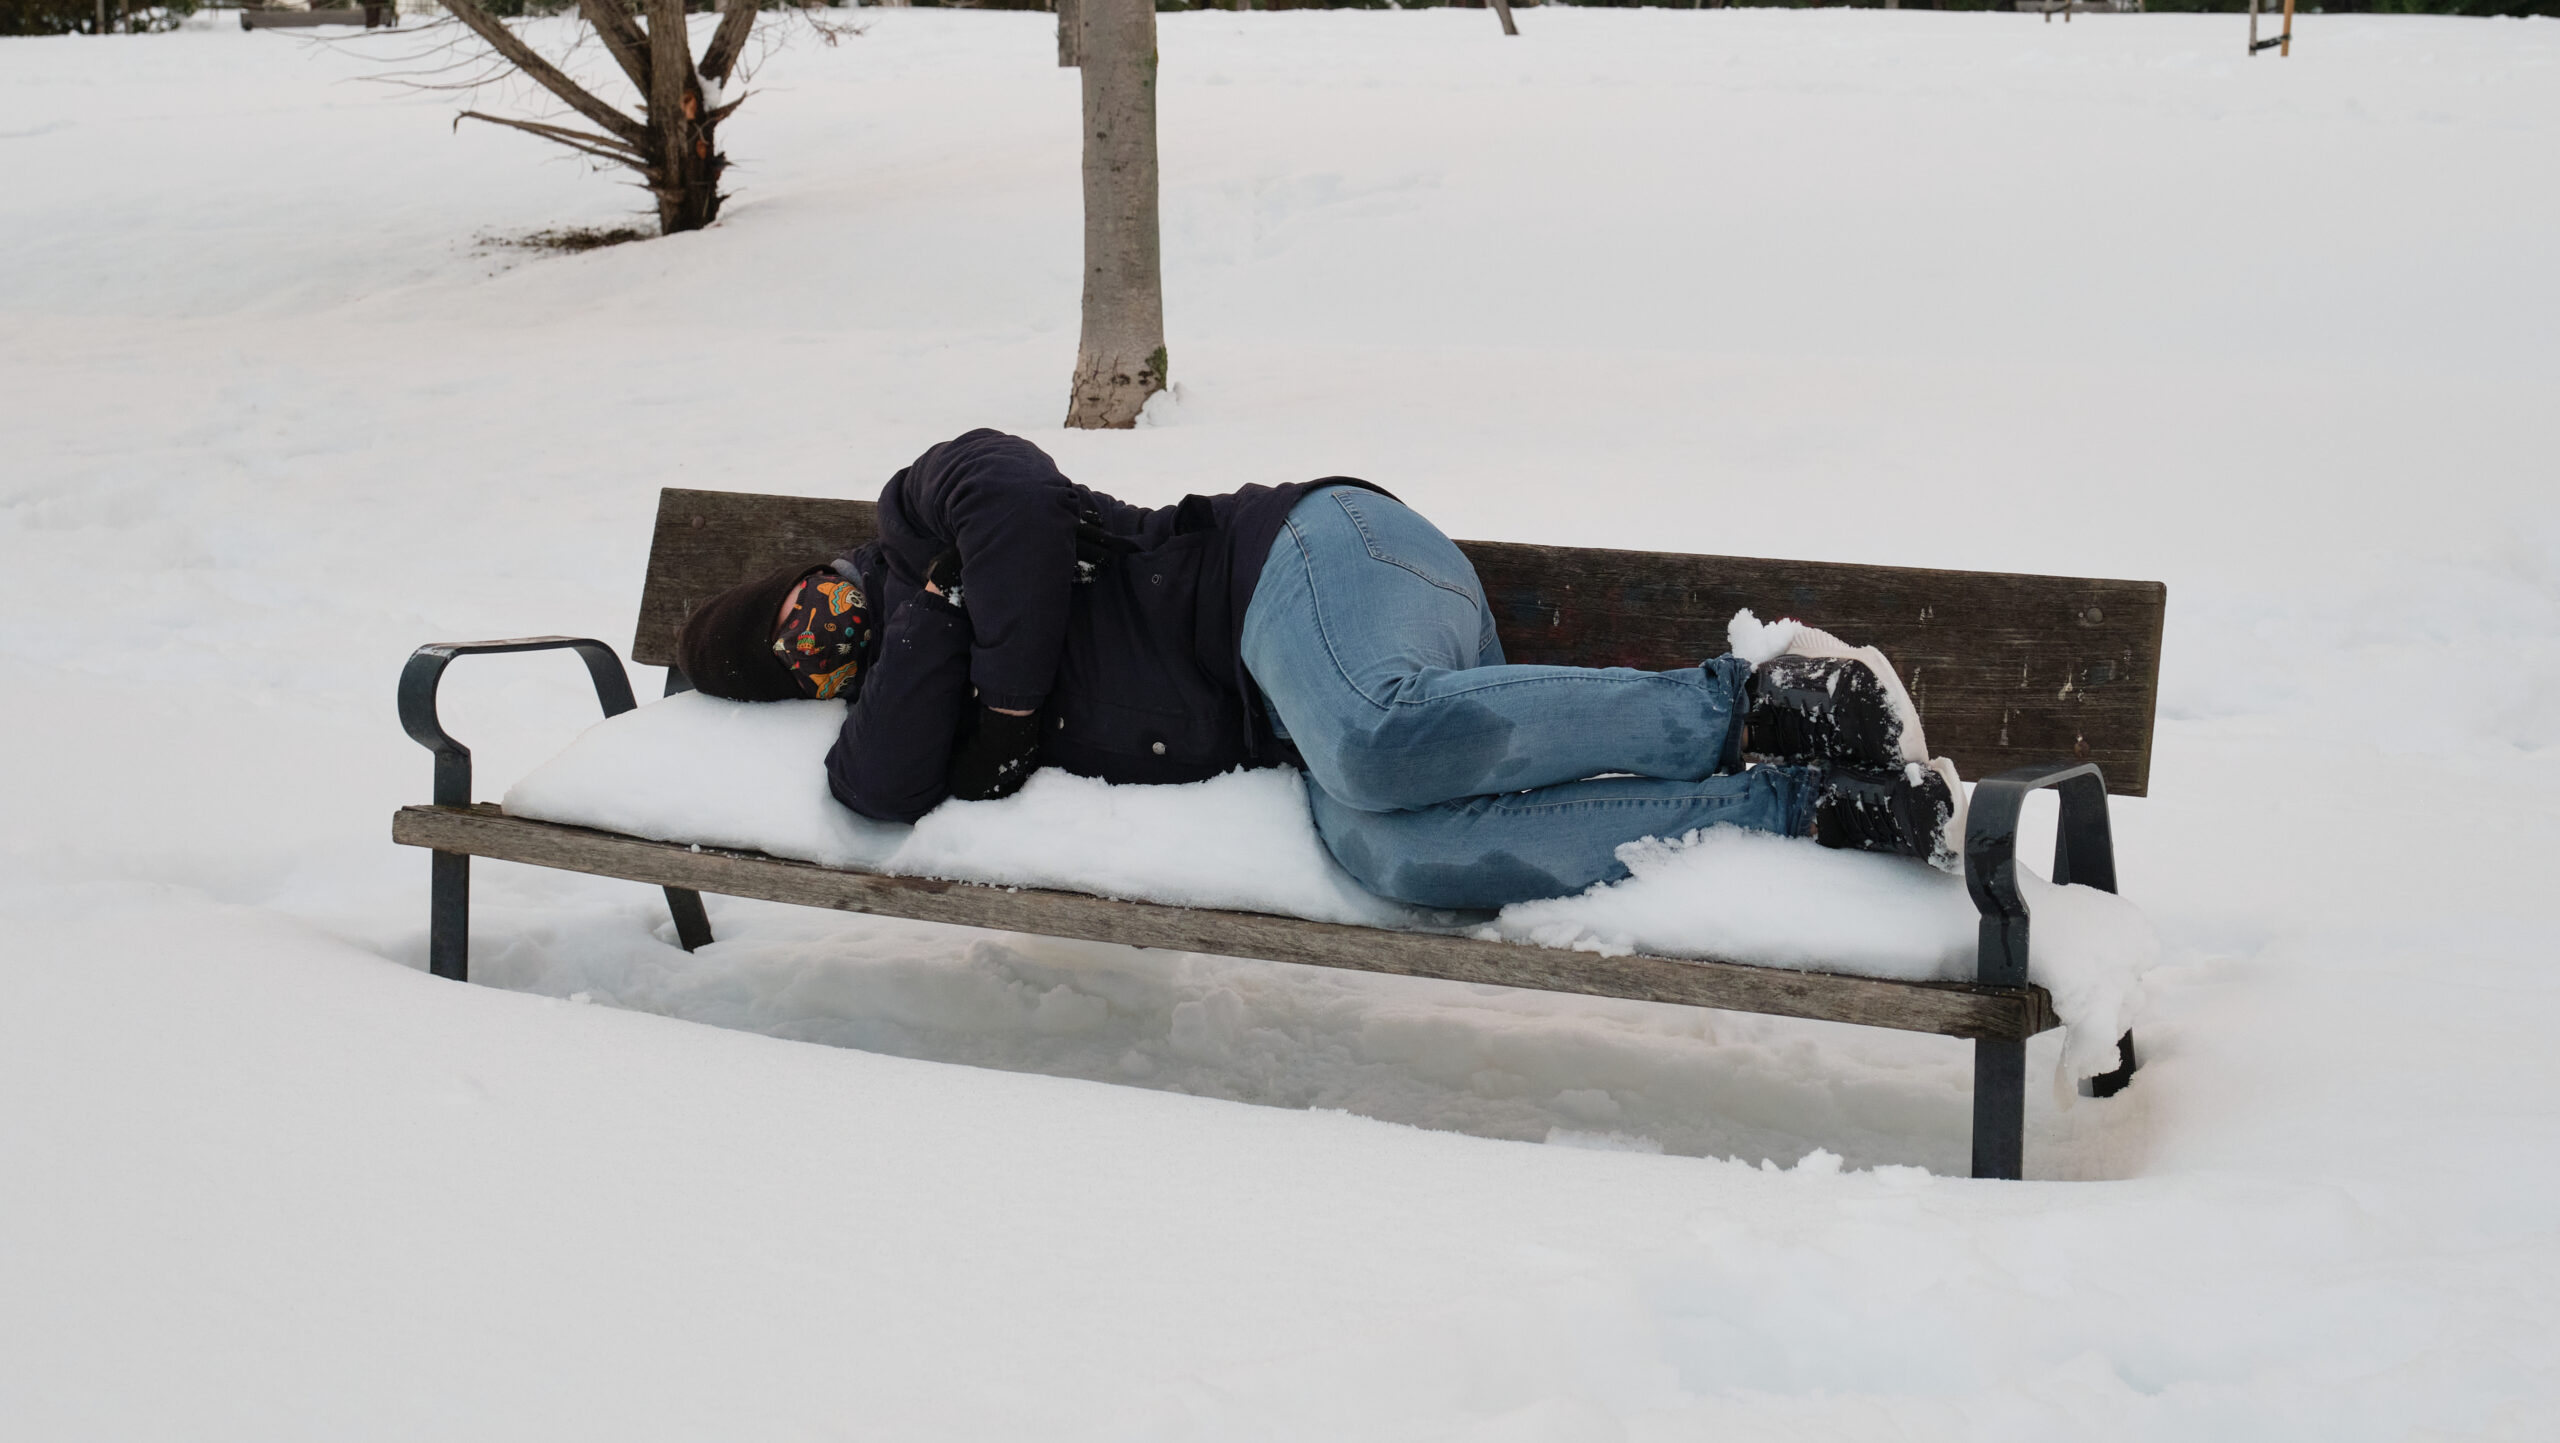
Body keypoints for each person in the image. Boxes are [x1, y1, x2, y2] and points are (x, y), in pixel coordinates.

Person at [677, 428, 1960, 910]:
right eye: (799, 660)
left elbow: (1010, 492)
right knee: (1398, 858)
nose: (824, 631)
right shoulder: (912, 644)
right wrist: (919, 633)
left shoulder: (922, 509)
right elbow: (880, 792)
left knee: (1369, 740)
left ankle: (1766, 697)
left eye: (807, 605)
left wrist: (981, 671)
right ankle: (1806, 810)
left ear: (813, 567)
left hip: (1312, 558)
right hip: (1340, 699)